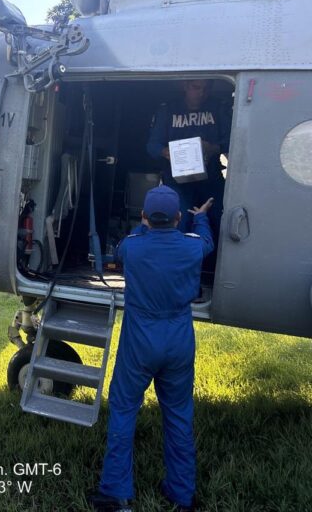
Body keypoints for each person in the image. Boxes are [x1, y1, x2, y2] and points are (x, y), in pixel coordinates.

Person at [89, 186, 214, 512]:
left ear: (144, 217)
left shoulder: (132, 247)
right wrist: (199, 219)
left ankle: (116, 492)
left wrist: (142, 226)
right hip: (178, 337)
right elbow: (207, 243)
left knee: (124, 409)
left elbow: (123, 248)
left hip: (140, 339)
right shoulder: (192, 247)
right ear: (177, 218)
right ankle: (182, 494)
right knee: (178, 415)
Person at [146, 79, 230, 237]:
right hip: (177, 182)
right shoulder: (168, 109)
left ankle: (211, 261)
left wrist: (212, 148)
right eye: (196, 87)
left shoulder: (219, 107)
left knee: (217, 222)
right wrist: (168, 152)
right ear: (185, 86)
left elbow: (232, 142)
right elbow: (152, 146)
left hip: (210, 180)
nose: (201, 93)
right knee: (180, 223)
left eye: (206, 88)